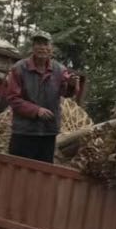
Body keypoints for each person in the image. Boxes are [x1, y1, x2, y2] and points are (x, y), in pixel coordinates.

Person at [5, 31, 78, 164]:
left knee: (41, 174)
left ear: (51, 49)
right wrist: (36, 111)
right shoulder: (19, 68)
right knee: (15, 170)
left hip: (47, 133)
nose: (42, 47)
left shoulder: (60, 70)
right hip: (23, 132)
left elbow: (66, 93)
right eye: (38, 44)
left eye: (45, 44)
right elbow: (13, 98)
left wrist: (72, 85)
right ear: (32, 47)